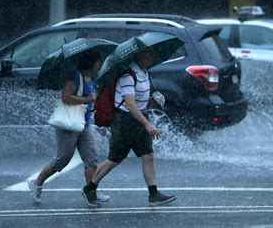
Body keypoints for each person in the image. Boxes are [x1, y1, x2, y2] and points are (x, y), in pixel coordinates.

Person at [81, 48, 176, 207]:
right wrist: (148, 124)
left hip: (139, 118)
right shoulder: (128, 75)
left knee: (148, 155)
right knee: (114, 159)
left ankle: (153, 194)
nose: (150, 57)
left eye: (151, 54)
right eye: (146, 54)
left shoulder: (144, 73)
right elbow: (130, 104)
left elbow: (140, 103)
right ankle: (89, 188)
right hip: (124, 121)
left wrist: (153, 100)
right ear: (137, 55)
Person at [28, 51, 110, 204]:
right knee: (62, 159)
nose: (99, 64)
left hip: (84, 124)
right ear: (90, 63)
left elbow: (89, 100)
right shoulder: (74, 77)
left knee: (91, 159)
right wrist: (87, 98)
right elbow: (65, 97)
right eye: (97, 62)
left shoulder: (92, 78)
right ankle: (36, 183)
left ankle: (91, 191)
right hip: (69, 125)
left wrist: (91, 103)